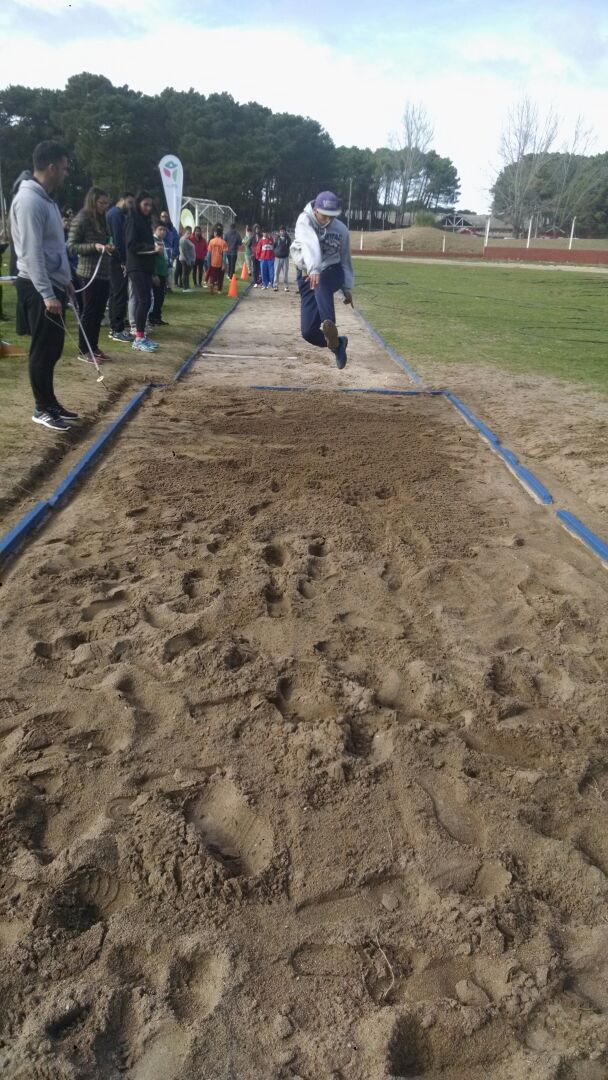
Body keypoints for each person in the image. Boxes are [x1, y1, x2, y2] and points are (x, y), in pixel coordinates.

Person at [9, 140, 77, 432]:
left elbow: (55, 248)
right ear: (51, 167)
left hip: (53, 284)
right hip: (37, 287)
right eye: (63, 168)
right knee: (42, 349)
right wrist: (48, 293)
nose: (65, 174)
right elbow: (32, 252)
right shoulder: (29, 200)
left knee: (53, 348)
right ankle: (41, 408)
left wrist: (66, 282)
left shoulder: (46, 199)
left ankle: (50, 402)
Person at [292, 190, 353, 370]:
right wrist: (313, 268)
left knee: (322, 283)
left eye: (332, 217)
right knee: (308, 332)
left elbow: (346, 258)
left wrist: (347, 288)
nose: (328, 221)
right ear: (315, 210)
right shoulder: (304, 220)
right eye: (324, 216)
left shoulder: (341, 230)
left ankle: (329, 324)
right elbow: (309, 243)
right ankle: (337, 344)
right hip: (309, 273)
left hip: (333, 270)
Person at [68, 187, 114, 364]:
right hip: (88, 273)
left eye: (106, 203)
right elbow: (71, 245)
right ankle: (84, 349)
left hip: (104, 272)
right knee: (89, 312)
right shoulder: (81, 219)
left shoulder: (102, 219)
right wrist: (94, 247)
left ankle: (93, 347)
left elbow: (107, 239)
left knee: (99, 312)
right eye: (101, 203)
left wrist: (109, 246)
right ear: (93, 202)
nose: (104, 206)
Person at [125, 191, 160, 352]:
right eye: (145, 204)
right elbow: (131, 245)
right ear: (139, 204)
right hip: (136, 265)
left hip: (145, 266)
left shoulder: (146, 221)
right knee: (143, 300)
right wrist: (152, 248)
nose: (148, 208)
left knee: (147, 301)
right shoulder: (133, 220)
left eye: (150, 205)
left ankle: (141, 335)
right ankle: (138, 337)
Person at [106, 192, 134, 342]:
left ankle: (115, 327)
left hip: (113, 258)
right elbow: (119, 239)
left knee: (114, 293)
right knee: (119, 294)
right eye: (129, 203)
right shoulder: (116, 214)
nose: (130, 207)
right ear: (121, 200)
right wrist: (124, 260)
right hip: (117, 259)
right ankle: (117, 329)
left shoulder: (113, 213)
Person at [150, 223, 169, 326]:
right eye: (160, 229)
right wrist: (154, 274)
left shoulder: (161, 241)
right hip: (157, 273)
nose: (162, 231)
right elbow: (152, 259)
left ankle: (157, 316)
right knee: (156, 296)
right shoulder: (153, 241)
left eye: (164, 229)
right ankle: (153, 317)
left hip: (162, 272)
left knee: (161, 296)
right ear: (154, 230)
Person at [159, 210, 179, 288]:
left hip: (169, 252)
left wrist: (174, 254)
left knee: (169, 270)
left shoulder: (172, 229)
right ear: (160, 217)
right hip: (160, 251)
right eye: (162, 216)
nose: (164, 218)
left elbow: (176, 241)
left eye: (165, 216)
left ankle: (168, 286)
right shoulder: (157, 227)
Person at [207, 225, 228, 294]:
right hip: (220, 262)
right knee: (220, 277)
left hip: (213, 261)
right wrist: (224, 264)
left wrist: (208, 262)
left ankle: (212, 283)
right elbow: (224, 255)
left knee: (212, 275)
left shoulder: (211, 241)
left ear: (215, 233)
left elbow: (209, 253)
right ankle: (219, 290)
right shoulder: (223, 242)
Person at [273, 226, 291, 291]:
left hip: (285, 258)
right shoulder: (276, 238)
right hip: (277, 258)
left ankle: (286, 286)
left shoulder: (288, 239)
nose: (282, 232)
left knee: (285, 272)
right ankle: (275, 285)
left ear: (285, 231)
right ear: (279, 232)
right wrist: (275, 253)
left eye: (283, 231)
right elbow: (274, 246)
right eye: (281, 231)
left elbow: (289, 245)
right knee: (276, 272)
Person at [179, 226, 196, 291]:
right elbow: (184, 251)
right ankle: (185, 288)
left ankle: (187, 287)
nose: (189, 234)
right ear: (184, 232)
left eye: (190, 233)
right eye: (188, 233)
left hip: (189, 259)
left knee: (187, 274)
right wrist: (188, 260)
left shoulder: (187, 239)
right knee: (185, 273)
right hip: (185, 259)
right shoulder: (183, 240)